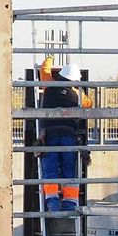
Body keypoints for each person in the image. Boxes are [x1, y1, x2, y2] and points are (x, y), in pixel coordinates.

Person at [37, 58, 92, 212]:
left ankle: (52, 202)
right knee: (69, 169)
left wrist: (50, 58)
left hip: (50, 135)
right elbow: (89, 104)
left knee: (50, 169)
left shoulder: (49, 84)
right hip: (69, 136)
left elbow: (44, 70)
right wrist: (77, 91)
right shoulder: (77, 94)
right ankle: (70, 203)